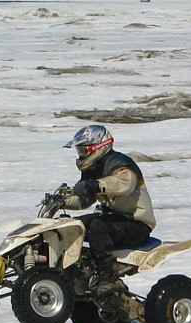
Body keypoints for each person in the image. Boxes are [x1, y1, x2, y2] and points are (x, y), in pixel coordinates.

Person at [62, 125, 156, 296]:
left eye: (83, 150)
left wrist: (96, 185)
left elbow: (125, 184)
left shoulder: (119, 163)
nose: (80, 155)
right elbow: (84, 201)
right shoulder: (92, 169)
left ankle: (108, 277)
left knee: (97, 226)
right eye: (79, 151)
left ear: (97, 148)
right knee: (73, 225)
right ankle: (76, 273)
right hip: (113, 219)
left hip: (137, 224)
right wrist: (62, 201)